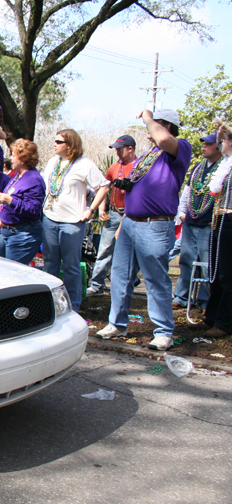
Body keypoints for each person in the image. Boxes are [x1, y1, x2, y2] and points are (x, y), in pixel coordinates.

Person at [96, 109, 192, 351]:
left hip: (155, 224)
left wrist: (148, 117)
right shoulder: (148, 156)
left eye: (155, 124)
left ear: (166, 125)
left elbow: (162, 139)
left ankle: (163, 331)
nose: (148, 130)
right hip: (130, 222)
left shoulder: (179, 148)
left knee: (155, 278)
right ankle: (117, 323)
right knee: (120, 275)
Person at [40, 128, 108, 312]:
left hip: (73, 221)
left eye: (58, 141)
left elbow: (103, 186)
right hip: (50, 218)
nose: (54, 144)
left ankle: (74, 306)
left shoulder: (84, 164)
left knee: (71, 266)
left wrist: (91, 210)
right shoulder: (53, 162)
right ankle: (50, 306)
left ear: (70, 145)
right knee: (50, 264)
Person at [172, 132, 222, 310]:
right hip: (191, 221)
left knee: (208, 264)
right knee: (186, 260)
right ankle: (182, 296)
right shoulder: (197, 169)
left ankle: (205, 300)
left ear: (219, 146)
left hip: (209, 224)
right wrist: (182, 211)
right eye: (204, 144)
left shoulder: (223, 168)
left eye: (208, 144)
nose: (204, 146)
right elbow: (187, 191)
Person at [87, 135, 138, 297]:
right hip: (114, 213)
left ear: (131, 148)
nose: (117, 152)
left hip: (132, 216)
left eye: (120, 149)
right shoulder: (114, 168)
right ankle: (96, 284)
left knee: (131, 252)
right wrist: (102, 208)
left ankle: (129, 281)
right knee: (104, 249)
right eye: (116, 149)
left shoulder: (139, 167)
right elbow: (104, 187)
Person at [0, 139, 45, 265]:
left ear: (23, 158)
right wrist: (3, 218)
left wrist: (10, 201)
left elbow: (34, 209)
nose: (10, 158)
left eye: (13, 155)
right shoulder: (18, 176)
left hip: (23, 235)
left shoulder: (34, 180)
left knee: (11, 275)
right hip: (9, 232)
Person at [203, 118, 232, 338]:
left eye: (225, 139)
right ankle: (211, 318)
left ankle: (224, 322)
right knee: (215, 272)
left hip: (230, 220)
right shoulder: (226, 163)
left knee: (227, 274)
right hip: (220, 219)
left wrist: (226, 126)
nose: (221, 142)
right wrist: (221, 131)